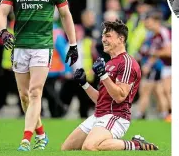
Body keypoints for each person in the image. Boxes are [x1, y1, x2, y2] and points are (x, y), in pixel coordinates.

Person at [0, 0, 78, 151]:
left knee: (35, 92)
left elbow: (66, 16)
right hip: (20, 47)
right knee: (24, 96)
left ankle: (26, 138)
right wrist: (4, 31)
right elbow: (2, 12)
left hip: (42, 47)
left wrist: (73, 44)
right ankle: (41, 134)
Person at [61, 20, 158, 151]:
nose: (103, 40)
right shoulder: (109, 63)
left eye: (108, 36)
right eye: (102, 36)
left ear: (121, 39)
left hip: (116, 116)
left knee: (89, 147)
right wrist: (84, 83)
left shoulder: (127, 62)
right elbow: (100, 100)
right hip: (99, 115)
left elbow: (119, 97)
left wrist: (103, 75)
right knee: (66, 149)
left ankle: (136, 145)